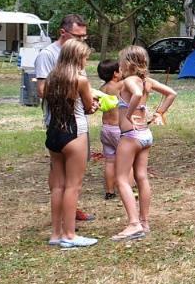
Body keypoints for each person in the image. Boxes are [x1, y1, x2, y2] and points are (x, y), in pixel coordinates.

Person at [111, 45, 178, 241]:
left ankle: (133, 224)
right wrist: (159, 112)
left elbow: (137, 95)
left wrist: (129, 115)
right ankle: (144, 221)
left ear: (127, 63)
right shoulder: (146, 81)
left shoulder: (130, 81)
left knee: (122, 179)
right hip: (145, 135)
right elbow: (171, 93)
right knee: (142, 177)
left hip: (130, 135)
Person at [35, 14, 95, 223]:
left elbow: (81, 86)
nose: (81, 41)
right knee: (64, 179)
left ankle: (66, 217)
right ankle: (66, 223)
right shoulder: (47, 55)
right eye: (77, 36)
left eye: (84, 37)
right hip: (61, 122)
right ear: (63, 32)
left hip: (72, 119)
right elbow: (42, 90)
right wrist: (77, 95)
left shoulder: (76, 56)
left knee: (70, 178)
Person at [43, 39, 98, 249]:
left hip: (54, 134)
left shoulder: (51, 79)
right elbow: (88, 106)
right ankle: (70, 235)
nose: (86, 61)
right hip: (75, 134)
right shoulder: (80, 80)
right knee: (73, 187)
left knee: (57, 186)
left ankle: (56, 233)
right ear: (77, 58)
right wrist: (95, 106)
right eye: (84, 57)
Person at [97, 59, 123, 202]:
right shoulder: (119, 85)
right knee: (127, 160)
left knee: (109, 161)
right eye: (120, 70)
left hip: (105, 129)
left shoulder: (102, 88)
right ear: (115, 73)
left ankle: (109, 191)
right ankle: (130, 188)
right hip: (117, 129)